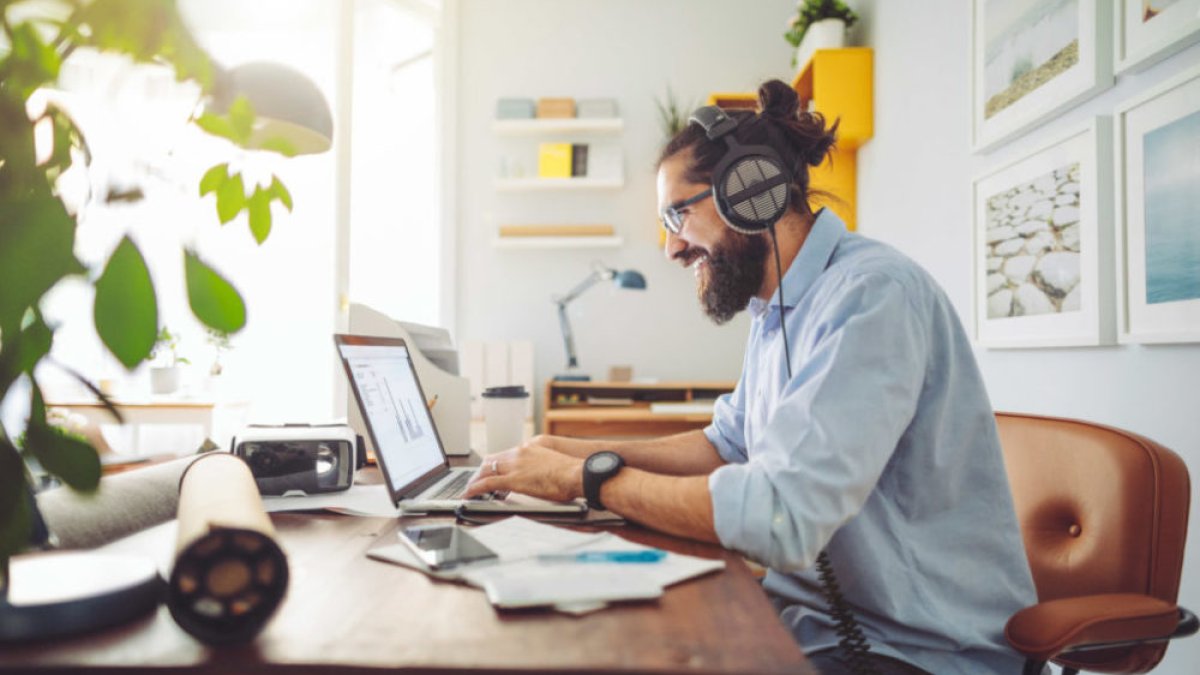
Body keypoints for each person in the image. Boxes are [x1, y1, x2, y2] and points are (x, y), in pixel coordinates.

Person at [466, 79, 1037, 674]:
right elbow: (728, 445)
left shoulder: (871, 297)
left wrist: (583, 479)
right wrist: (572, 451)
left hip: (915, 650)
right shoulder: (776, 308)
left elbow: (779, 518)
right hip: (809, 622)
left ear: (751, 192)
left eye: (677, 215)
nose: (671, 248)